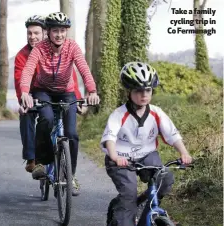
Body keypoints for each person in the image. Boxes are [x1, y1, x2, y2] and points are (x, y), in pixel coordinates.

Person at [100, 62, 193, 226]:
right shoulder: (119, 114)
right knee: (128, 193)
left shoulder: (157, 112)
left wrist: (184, 153)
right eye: (138, 90)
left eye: (148, 90)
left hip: (147, 155)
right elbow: (110, 138)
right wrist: (115, 156)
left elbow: (172, 134)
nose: (144, 94)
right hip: (120, 158)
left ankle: (145, 202)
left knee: (165, 178)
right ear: (129, 92)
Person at [20, 12, 100, 196]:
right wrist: (25, 92)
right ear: (48, 32)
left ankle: (70, 176)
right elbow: (28, 69)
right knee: (46, 119)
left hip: (66, 92)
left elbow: (84, 69)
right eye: (55, 30)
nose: (59, 34)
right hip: (44, 90)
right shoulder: (40, 48)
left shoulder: (72, 47)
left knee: (71, 133)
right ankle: (41, 162)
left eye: (62, 31)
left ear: (67, 32)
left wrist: (92, 91)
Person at [14, 15, 84, 173]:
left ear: (45, 33)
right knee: (26, 115)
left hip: (57, 92)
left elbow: (70, 78)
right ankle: (32, 158)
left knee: (62, 123)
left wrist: (78, 99)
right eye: (29, 33)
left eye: (36, 33)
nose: (33, 37)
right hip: (32, 93)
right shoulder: (22, 56)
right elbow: (20, 79)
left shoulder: (59, 50)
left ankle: (67, 168)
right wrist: (23, 99)